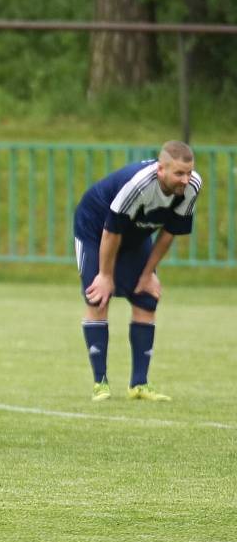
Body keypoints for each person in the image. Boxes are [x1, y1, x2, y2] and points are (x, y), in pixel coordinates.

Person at [74, 141, 202, 402]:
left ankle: (139, 385)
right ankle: (101, 383)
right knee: (98, 296)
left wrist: (148, 273)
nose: (185, 179)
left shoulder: (191, 187)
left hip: (135, 232)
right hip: (95, 228)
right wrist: (106, 276)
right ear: (161, 170)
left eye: (189, 173)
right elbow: (110, 232)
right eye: (179, 173)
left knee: (147, 297)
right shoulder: (139, 185)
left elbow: (169, 234)